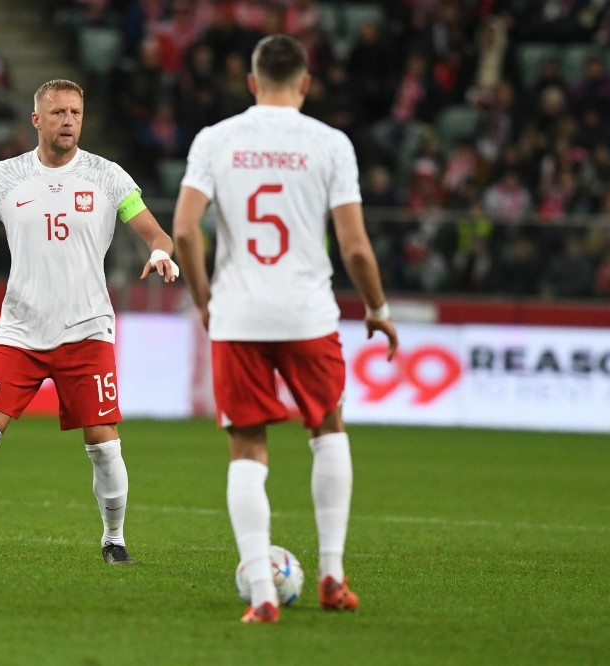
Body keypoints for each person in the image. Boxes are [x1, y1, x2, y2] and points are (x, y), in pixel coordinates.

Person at [0, 79, 179, 564]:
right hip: (21, 330)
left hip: (86, 329)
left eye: (75, 112)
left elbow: (154, 230)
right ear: (37, 120)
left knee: (105, 445)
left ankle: (114, 538)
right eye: (58, 113)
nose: (68, 120)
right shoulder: (5, 176)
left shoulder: (108, 176)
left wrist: (159, 252)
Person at [173, 35, 398, 624]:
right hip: (308, 314)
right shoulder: (330, 144)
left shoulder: (215, 139)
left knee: (247, 448)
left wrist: (206, 302)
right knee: (327, 429)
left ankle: (264, 597)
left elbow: (187, 231)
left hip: (238, 315)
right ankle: (331, 575)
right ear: (304, 84)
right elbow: (354, 246)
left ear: (252, 82)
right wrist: (377, 308)